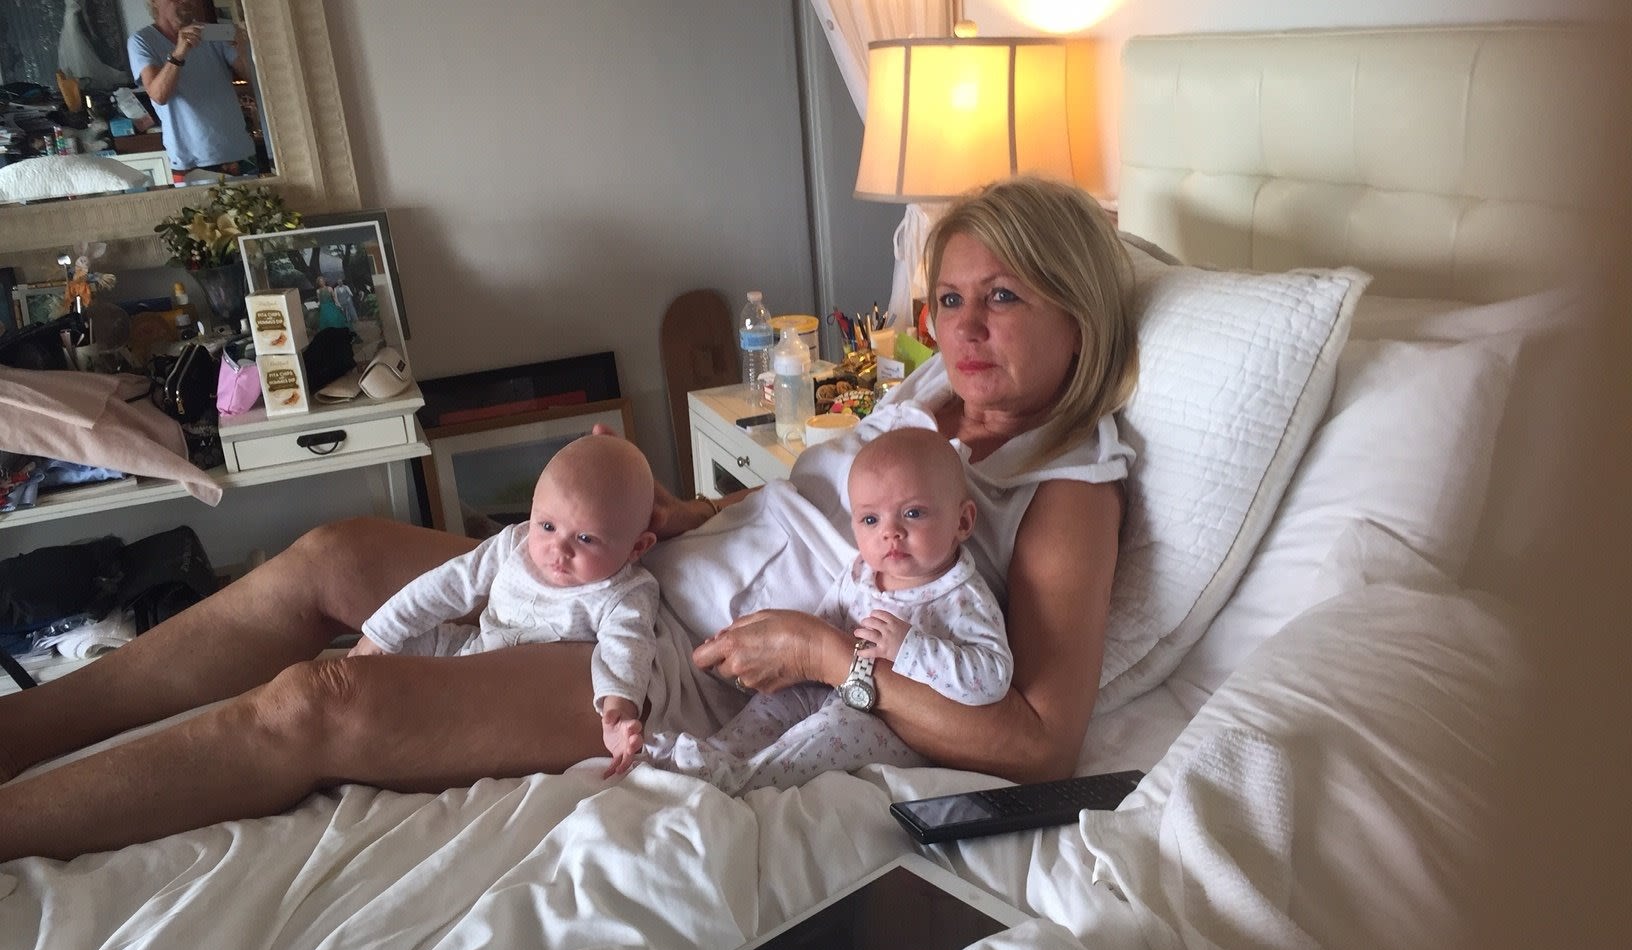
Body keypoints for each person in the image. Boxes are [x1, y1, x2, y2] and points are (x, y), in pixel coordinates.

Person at [0, 174, 1138, 862]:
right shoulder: (922, 395)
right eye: (948, 298)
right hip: (635, 569)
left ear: (1079, 312)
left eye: (1004, 298)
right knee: (331, 554)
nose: (962, 326)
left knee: (327, 696)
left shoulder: (1069, 482)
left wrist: (822, 651)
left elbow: (1040, 740)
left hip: (665, 666)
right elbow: (804, 510)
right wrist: (694, 509)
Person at [644, 427, 1011, 793]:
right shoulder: (863, 572)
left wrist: (910, 648)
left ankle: (739, 780)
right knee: (774, 702)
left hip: (895, 723)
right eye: (871, 519)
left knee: (829, 731)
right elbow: (829, 618)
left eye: (912, 513)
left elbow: (992, 677)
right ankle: (712, 755)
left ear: (962, 522)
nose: (891, 532)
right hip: (835, 684)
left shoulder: (963, 597)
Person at [349, 434, 660, 776]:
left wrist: (618, 709)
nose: (559, 550)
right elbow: (448, 584)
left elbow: (626, 647)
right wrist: (382, 632)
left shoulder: (627, 591)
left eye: (585, 538)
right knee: (391, 655)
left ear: (636, 548)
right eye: (547, 525)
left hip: (522, 692)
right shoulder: (516, 543)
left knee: (425, 715)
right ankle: (365, 691)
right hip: (476, 647)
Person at [127, 0, 257, 181]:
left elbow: (257, 83)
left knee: (256, 208)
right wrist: (179, 53)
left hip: (240, 151)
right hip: (189, 161)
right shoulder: (142, 41)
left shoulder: (212, 33)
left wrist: (243, 46)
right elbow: (158, 95)